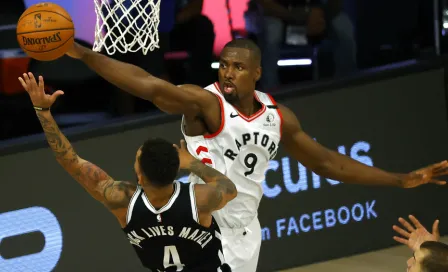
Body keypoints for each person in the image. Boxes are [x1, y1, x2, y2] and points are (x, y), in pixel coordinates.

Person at [65, 38, 448, 272]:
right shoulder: (205, 104)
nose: (228, 73)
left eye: (238, 67)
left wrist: (400, 179)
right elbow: (147, 85)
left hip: (248, 235)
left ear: (257, 73)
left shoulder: (278, 117)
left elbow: (329, 163)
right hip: (204, 231)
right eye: (224, 65)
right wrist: (83, 54)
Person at [17, 72, 235, 272]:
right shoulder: (199, 199)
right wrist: (193, 164)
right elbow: (229, 189)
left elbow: (69, 160)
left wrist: (43, 112)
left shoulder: (123, 200)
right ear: (175, 169)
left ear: (140, 177)